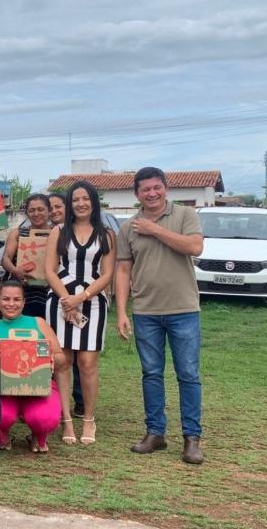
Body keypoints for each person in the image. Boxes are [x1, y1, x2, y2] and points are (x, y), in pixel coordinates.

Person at [115, 167, 204, 464]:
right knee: (151, 374)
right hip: (146, 311)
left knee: (188, 375)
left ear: (166, 188)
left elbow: (194, 247)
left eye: (157, 188)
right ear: (137, 194)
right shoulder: (128, 227)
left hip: (184, 309)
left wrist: (154, 229)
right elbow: (124, 270)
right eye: (145, 189)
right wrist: (122, 312)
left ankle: (192, 438)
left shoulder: (184, 216)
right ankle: (155, 433)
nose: (152, 194)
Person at [45, 181, 116, 445]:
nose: (81, 204)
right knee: (62, 361)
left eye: (85, 199)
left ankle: (88, 418)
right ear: (69, 203)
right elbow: (50, 269)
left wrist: (82, 296)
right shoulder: (59, 231)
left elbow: (108, 273)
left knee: (87, 363)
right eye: (75, 199)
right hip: (61, 302)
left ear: (94, 202)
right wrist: (66, 298)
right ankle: (65, 419)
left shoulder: (106, 234)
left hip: (93, 303)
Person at [0, 281, 67, 453]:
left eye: (16, 299)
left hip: (39, 387)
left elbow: (61, 358)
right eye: (6, 299)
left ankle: (39, 435)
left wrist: (47, 358)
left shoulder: (39, 323)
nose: (11, 304)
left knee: (45, 418)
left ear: (23, 302)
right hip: (4, 389)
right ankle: (3, 434)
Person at [50, 191, 85, 419]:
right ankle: (54, 404)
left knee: (82, 356)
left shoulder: (88, 232)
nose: (54, 211)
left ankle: (80, 401)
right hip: (51, 298)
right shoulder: (49, 231)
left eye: (58, 206)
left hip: (82, 298)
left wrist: (74, 300)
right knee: (58, 354)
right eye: (49, 207)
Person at [1, 193, 52, 318]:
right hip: (22, 292)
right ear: (27, 213)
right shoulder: (18, 233)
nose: (36, 213)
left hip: (49, 292)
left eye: (41, 209)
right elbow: (5, 258)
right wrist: (14, 270)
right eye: (32, 210)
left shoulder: (57, 234)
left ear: (49, 211)